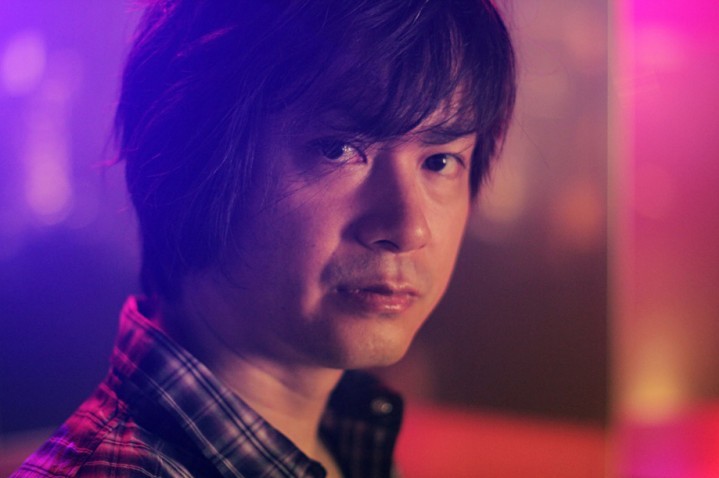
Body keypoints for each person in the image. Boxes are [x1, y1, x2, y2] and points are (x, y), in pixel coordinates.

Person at [14, 0, 515, 476]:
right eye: (339, 150)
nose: (409, 229)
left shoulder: (350, 439)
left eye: (440, 161)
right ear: (194, 159)